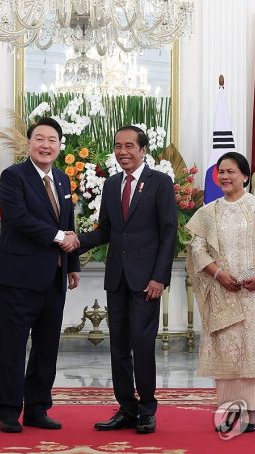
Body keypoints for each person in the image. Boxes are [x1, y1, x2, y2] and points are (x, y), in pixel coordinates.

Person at [77, 125, 177, 434]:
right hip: (117, 277)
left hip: (147, 281)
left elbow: (169, 233)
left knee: (143, 345)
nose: (123, 152)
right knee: (118, 347)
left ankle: (147, 409)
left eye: (130, 146)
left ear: (143, 150)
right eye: (118, 146)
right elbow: (107, 230)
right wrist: (75, 241)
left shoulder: (160, 182)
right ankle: (126, 408)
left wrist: (159, 277)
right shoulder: (111, 185)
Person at [0, 116, 81, 433]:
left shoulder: (62, 179)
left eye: (52, 140)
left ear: (60, 145)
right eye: (39, 139)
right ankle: (7, 411)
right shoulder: (13, 176)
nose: (46, 145)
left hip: (54, 278)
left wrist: (72, 265)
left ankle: (37, 408)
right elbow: (16, 218)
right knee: (14, 347)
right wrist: (58, 238)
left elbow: (68, 223)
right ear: (29, 144)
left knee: (46, 348)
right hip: (19, 277)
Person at [185, 151, 255, 434]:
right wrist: (218, 274)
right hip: (221, 291)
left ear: (245, 176)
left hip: (253, 293)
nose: (224, 177)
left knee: (250, 351)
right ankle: (228, 410)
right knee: (226, 353)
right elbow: (197, 249)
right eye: (221, 172)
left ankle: (251, 412)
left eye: (231, 172)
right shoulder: (208, 212)